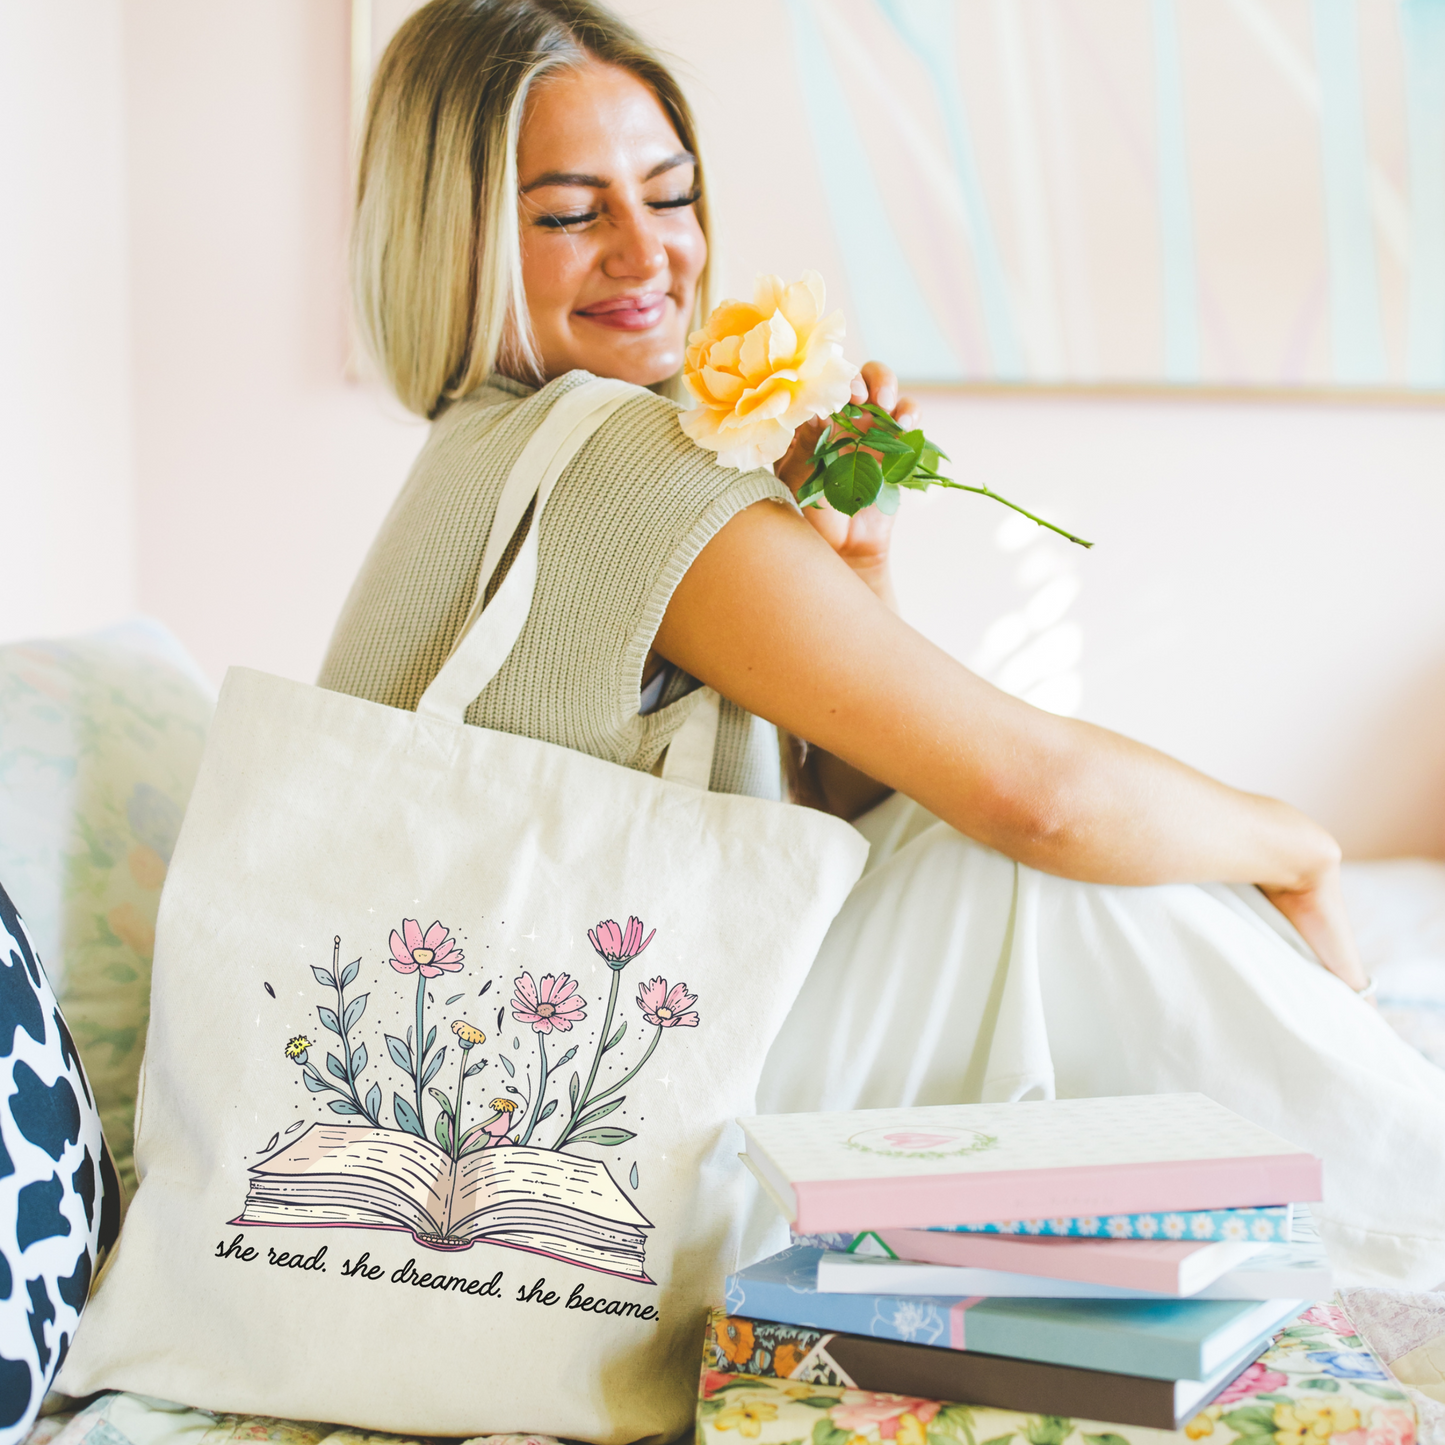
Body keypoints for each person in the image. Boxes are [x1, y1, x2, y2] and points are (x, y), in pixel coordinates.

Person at [320, 0, 1445, 1287]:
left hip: (528, 1091)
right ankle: (1410, 1197)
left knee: (984, 860)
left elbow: (850, 823)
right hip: (577, 1146)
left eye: (670, 195)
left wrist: (854, 565)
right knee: (1034, 877)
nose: (647, 254)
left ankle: (1387, 1165)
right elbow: (1038, 795)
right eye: (571, 214)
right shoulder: (610, 462)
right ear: (450, 243)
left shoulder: (492, 447)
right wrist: (1295, 847)